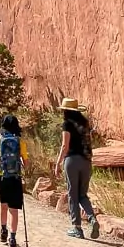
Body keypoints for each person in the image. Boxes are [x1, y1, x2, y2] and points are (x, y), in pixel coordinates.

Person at [54, 97, 100, 239]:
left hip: (72, 161)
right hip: (86, 161)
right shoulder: (84, 123)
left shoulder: (67, 124)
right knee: (82, 195)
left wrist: (57, 163)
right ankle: (92, 218)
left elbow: (65, 146)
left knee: (72, 195)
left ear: (66, 111)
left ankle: (77, 228)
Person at [0, 115, 28, 247]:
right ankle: (12, 238)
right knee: (14, 210)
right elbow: (26, 162)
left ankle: (3, 230)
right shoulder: (20, 141)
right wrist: (24, 171)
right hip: (15, 177)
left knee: (3, 205)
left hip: (1, 177)